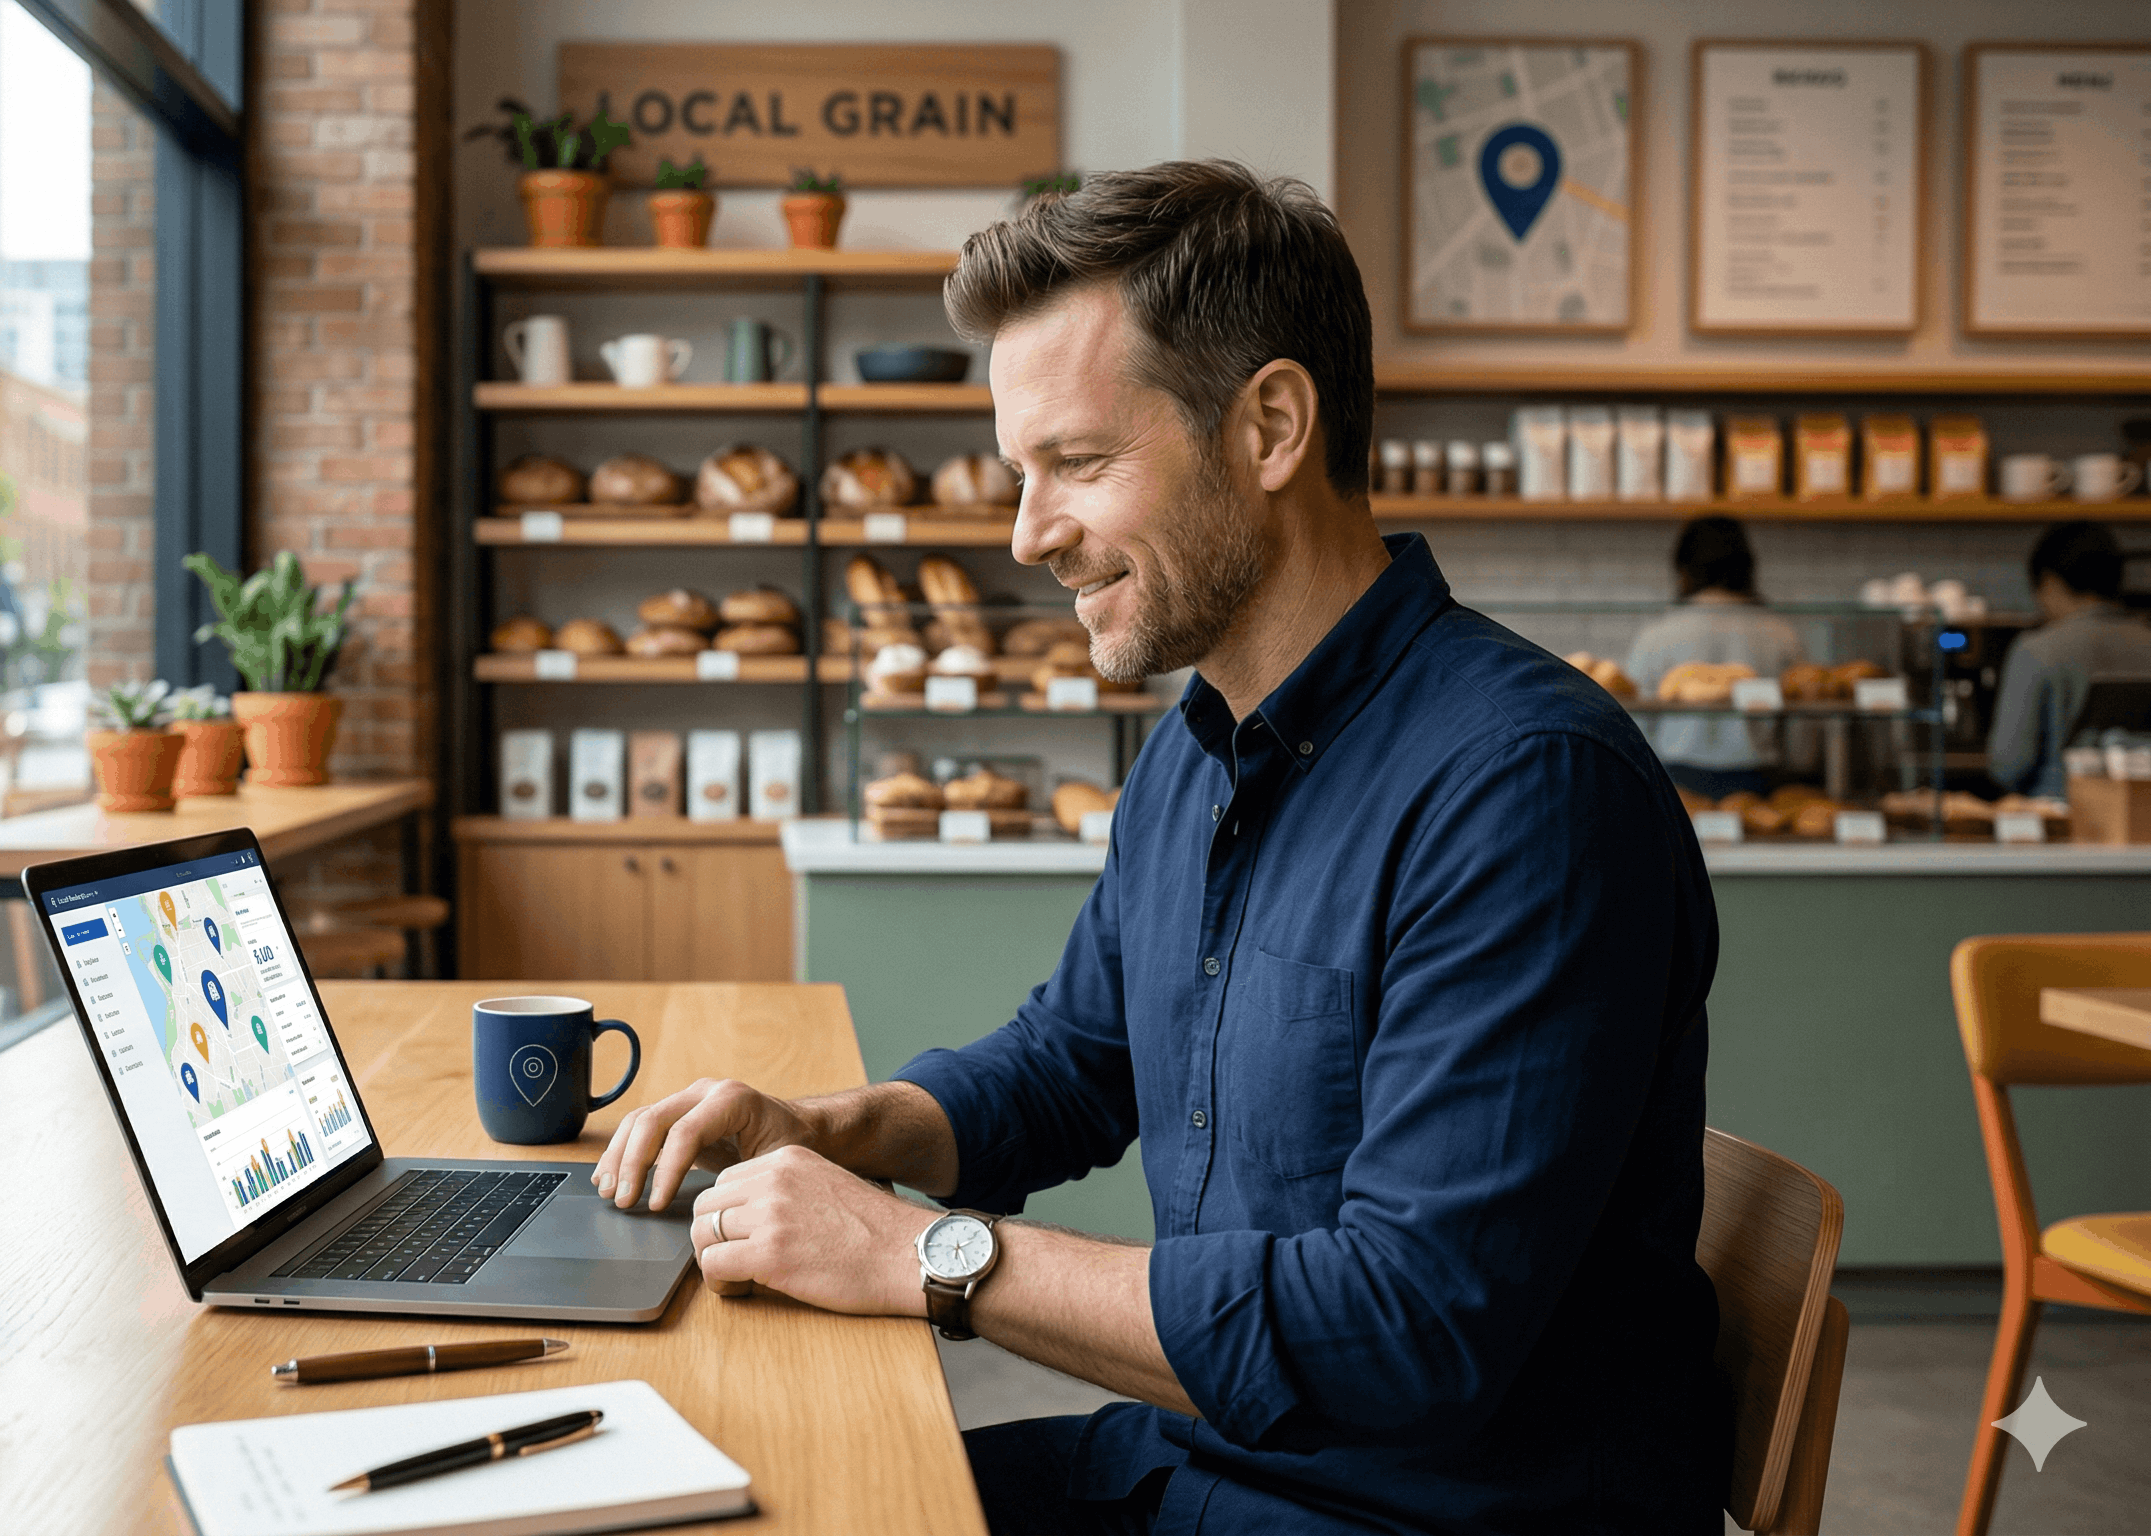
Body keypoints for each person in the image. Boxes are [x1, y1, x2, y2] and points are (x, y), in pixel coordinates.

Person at [593, 162, 1724, 1535]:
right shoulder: (1197, 751)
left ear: (1272, 426)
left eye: (1077, 462)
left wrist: (922, 1254)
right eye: (1023, 473)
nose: (1028, 536)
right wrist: (833, 1133)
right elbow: (1073, 1065)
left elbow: (1405, 1330)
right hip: (1205, 1464)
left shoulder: (1526, 792)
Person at [1622, 516, 1805, 799]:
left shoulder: (1658, 633)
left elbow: (1634, 724)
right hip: (1758, 782)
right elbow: (1801, 729)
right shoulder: (1780, 633)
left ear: (1683, 568)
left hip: (1675, 782)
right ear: (1747, 567)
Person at [1989, 520, 2151, 796]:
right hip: (2139, 819)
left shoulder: (2037, 650)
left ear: (2050, 583)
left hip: (2059, 819)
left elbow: (2009, 763)